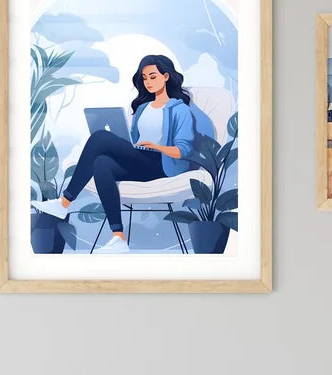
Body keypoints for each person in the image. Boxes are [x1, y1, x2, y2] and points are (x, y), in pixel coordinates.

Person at [32, 54, 207, 254]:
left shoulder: (179, 110)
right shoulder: (142, 108)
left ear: (166, 76)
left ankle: (65, 202)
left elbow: (183, 150)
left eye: (153, 76)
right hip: (141, 160)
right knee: (101, 163)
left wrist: (157, 147)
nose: (148, 82)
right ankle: (119, 238)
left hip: (164, 164)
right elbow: (134, 140)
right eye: (144, 78)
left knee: (99, 137)